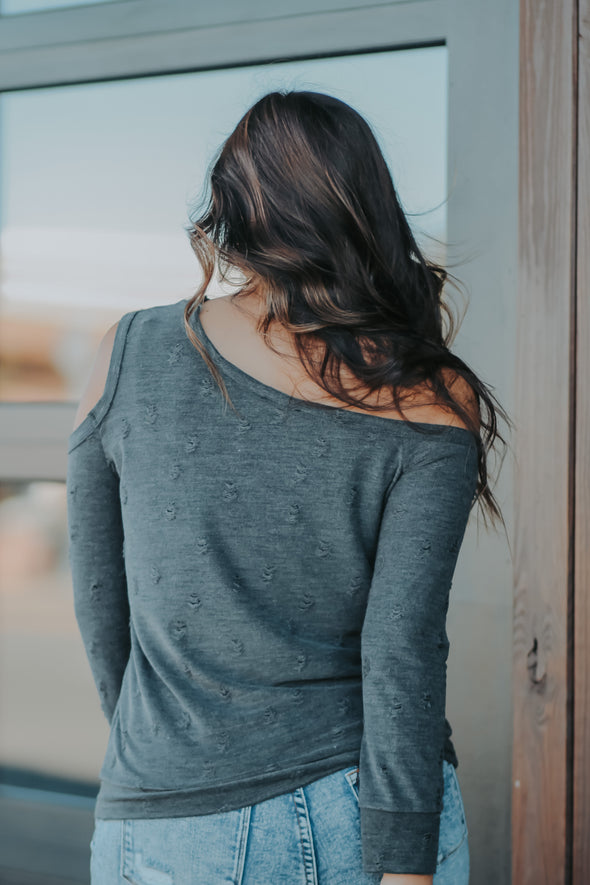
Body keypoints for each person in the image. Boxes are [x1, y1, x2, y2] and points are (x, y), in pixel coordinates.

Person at [66, 90, 510, 884]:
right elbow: (402, 646)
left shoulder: (126, 352)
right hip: (360, 803)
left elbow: (102, 600)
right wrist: (404, 865)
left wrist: (158, 749)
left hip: (168, 816)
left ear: (232, 209)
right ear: (366, 206)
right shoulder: (428, 392)